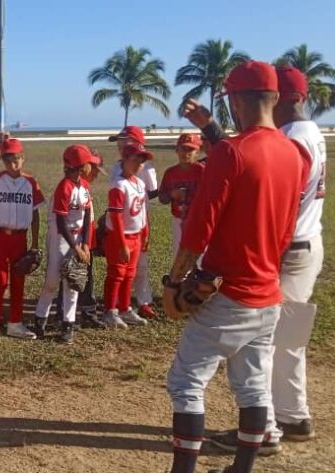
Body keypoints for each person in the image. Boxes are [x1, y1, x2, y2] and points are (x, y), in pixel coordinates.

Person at [163, 60, 310, 473]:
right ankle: (242, 467)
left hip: (229, 293)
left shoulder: (231, 152)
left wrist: (174, 281)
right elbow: (284, 228)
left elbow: (198, 231)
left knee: (186, 381)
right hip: (269, 291)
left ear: (234, 103)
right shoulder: (294, 153)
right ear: (274, 98)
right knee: (252, 386)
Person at [33, 145, 104, 343]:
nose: (92, 166)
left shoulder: (85, 187)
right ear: (80, 166)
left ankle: (68, 326)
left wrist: (87, 245)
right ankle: (40, 321)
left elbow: (88, 215)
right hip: (61, 239)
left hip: (78, 238)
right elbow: (62, 223)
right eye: (88, 163)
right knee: (52, 282)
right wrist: (76, 249)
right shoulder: (64, 187)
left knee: (73, 282)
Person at [0, 137, 45, 342]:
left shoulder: (31, 183)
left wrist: (35, 242)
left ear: (23, 159)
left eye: (16, 159)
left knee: (19, 280)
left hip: (20, 237)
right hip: (1, 236)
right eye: (8, 159)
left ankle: (15, 323)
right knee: (0, 281)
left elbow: (35, 214)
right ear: (2, 160)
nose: (12, 163)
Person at [108, 126, 160, 319]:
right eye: (119, 141)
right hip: (122, 222)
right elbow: (115, 197)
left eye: (124, 140)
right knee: (120, 267)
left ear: (137, 143)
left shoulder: (146, 167)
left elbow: (152, 192)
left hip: (139, 219)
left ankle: (143, 301)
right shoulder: (117, 167)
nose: (120, 145)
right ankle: (119, 305)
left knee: (140, 265)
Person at [102, 144, 152, 329]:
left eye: (142, 160)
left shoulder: (139, 183)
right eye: (135, 159)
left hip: (135, 236)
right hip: (119, 236)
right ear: (124, 160)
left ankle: (124, 307)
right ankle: (110, 311)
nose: (139, 163)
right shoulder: (119, 185)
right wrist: (121, 243)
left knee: (130, 273)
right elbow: (115, 216)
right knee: (117, 274)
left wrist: (145, 232)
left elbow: (142, 211)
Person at [158, 134, 206, 257]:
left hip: (198, 220)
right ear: (177, 150)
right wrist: (171, 194)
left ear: (197, 152)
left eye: (191, 149)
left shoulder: (203, 171)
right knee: (179, 254)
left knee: (200, 257)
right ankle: (180, 276)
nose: (186, 153)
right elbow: (162, 198)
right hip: (178, 219)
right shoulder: (170, 173)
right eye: (183, 149)